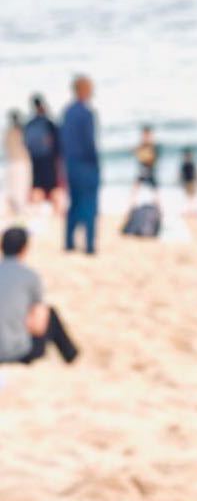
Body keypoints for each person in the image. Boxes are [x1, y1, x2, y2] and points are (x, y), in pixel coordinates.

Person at [0, 226, 78, 365]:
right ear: (24, 249)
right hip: (18, 352)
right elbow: (39, 326)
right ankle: (71, 356)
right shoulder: (30, 276)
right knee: (50, 313)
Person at [59, 75, 100, 255]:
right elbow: (89, 142)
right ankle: (89, 245)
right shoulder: (87, 113)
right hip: (86, 164)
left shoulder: (67, 112)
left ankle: (69, 242)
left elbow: (61, 140)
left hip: (71, 164)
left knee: (74, 203)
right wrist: (95, 164)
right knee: (89, 204)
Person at [24, 95, 62, 214]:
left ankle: (37, 212)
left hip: (35, 160)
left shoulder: (29, 124)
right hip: (48, 160)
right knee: (54, 187)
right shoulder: (48, 123)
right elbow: (58, 142)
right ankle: (56, 212)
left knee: (37, 187)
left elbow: (26, 144)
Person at [3, 112, 32, 217]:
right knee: (19, 188)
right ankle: (18, 210)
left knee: (16, 188)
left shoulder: (10, 132)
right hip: (19, 163)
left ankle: (17, 210)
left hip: (14, 162)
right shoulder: (20, 131)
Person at [130, 124, 160, 205]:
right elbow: (138, 156)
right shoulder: (141, 145)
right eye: (144, 135)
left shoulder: (153, 146)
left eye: (147, 135)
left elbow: (153, 159)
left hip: (150, 171)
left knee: (155, 192)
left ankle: (159, 208)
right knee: (135, 189)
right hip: (142, 171)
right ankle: (131, 207)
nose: (145, 137)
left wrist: (143, 155)